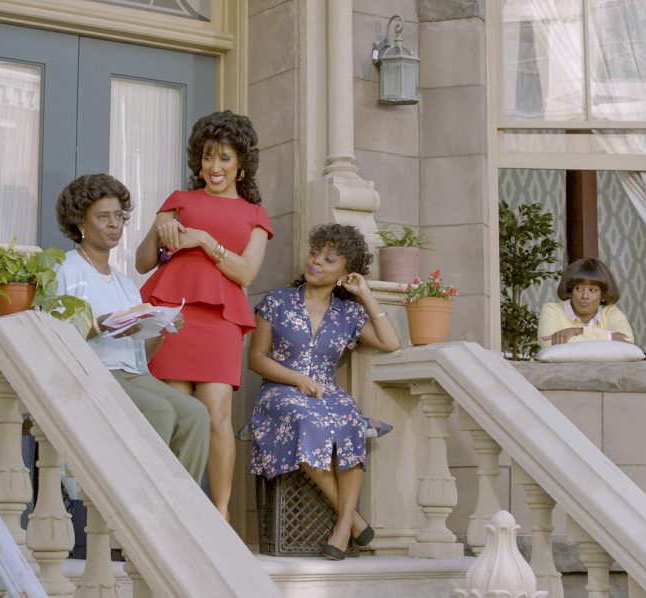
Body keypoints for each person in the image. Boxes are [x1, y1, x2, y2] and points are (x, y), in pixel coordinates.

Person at [135, 110, 272, 520]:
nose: (215, 167)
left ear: (241, 164)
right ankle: (174, 509)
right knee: (176, 414)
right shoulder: (178, 202)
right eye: (208, 157)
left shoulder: (255, 216)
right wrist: (159, 230)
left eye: (225, 158)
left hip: (221, 321)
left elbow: (246, 272)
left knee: (216, 415)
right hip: (172, 315)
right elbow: (143, 263)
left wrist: (205, 241)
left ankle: (220, 514)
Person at [247, 224, 401, 561]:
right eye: (315, 253)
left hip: (328, 394)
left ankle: (344, 526)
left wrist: (365, 293)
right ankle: (356, 522)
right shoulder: (277, 302)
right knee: (305, 421)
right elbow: (256, 359)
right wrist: (297, 379)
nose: (316, 261)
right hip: (280, 393)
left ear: (345, 273)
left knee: (350, 420)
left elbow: (391, 342)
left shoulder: (348, 314)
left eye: (329, 259)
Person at [54, 173, 210, 483]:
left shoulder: (125, 284)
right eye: (103, 217)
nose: (114, 224)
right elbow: (56, 337)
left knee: (197, 414)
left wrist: (160, 329)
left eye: (118, 216)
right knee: (161, 412)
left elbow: (142, 355)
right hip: (94, 373)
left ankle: (181, 503)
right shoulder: (66, 269)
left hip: (135, 375)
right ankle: (143, 502)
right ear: (81, 223)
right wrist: (97, 324)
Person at [538, 257, 634, 348]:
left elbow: (627, 342)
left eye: (592, 290)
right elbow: (549, 345)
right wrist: (609, 338)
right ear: (571, 290)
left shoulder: (610, 312)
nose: (584, 296)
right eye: (578, 289)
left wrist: (579, 331)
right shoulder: (552, 310)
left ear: (603, 294)